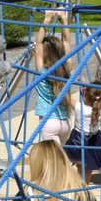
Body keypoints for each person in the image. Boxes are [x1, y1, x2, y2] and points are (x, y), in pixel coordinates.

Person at [63, 77, 101, 176]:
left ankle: (80, 183)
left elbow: (65, 95)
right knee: (88, 165)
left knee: (77, 161)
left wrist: (68, 80)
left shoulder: (79, 107)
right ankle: (85, 183)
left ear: (85, 94)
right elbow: (97, 96)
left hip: (79, 139)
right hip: (94, 139)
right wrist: (85, 84)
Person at [32, 9, 75, 143]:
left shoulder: (42, 71)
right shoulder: (66, 68)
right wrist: (64, 19)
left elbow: (38, 44)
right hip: (65, 122)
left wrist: (47, 19)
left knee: (52, 159)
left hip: (48, 120)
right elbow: (67, 42)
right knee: (60, 156)